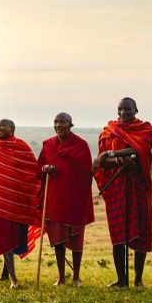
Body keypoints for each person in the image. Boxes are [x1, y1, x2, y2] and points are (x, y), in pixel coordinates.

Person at [0, 119, 42, 289]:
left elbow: (32, 170)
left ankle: (5, 274)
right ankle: (13, 279)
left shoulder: (22, 147)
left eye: (2, 126)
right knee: (4, 239)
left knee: (14, 240)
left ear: (12, 129)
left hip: (17, 204)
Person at [94, 97, 152, 288]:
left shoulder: (145, 128)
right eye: (120, 109)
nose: (123, 112)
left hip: (138, 184)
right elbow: (102, 163)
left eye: (127, 109)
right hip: (117, 187)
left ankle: (138, 279)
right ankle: (121, 279)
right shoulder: (108, 132)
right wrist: (119, 161)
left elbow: (140, 149)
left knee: (141, 230)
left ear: (136, 110)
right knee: (118, 233)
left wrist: (110, 154)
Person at [38, 113, 94, 286]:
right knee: (58, 240)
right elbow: (39, 166)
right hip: (55, 199)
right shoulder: (48, 144)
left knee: (76, 239)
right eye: (55, 121)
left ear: (71, 125)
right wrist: (45, 167)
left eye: (62, 122)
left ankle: (76, 277)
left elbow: (88, 172)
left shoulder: (81, 145)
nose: (58, 125)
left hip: (75, 199)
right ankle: (61, 277)